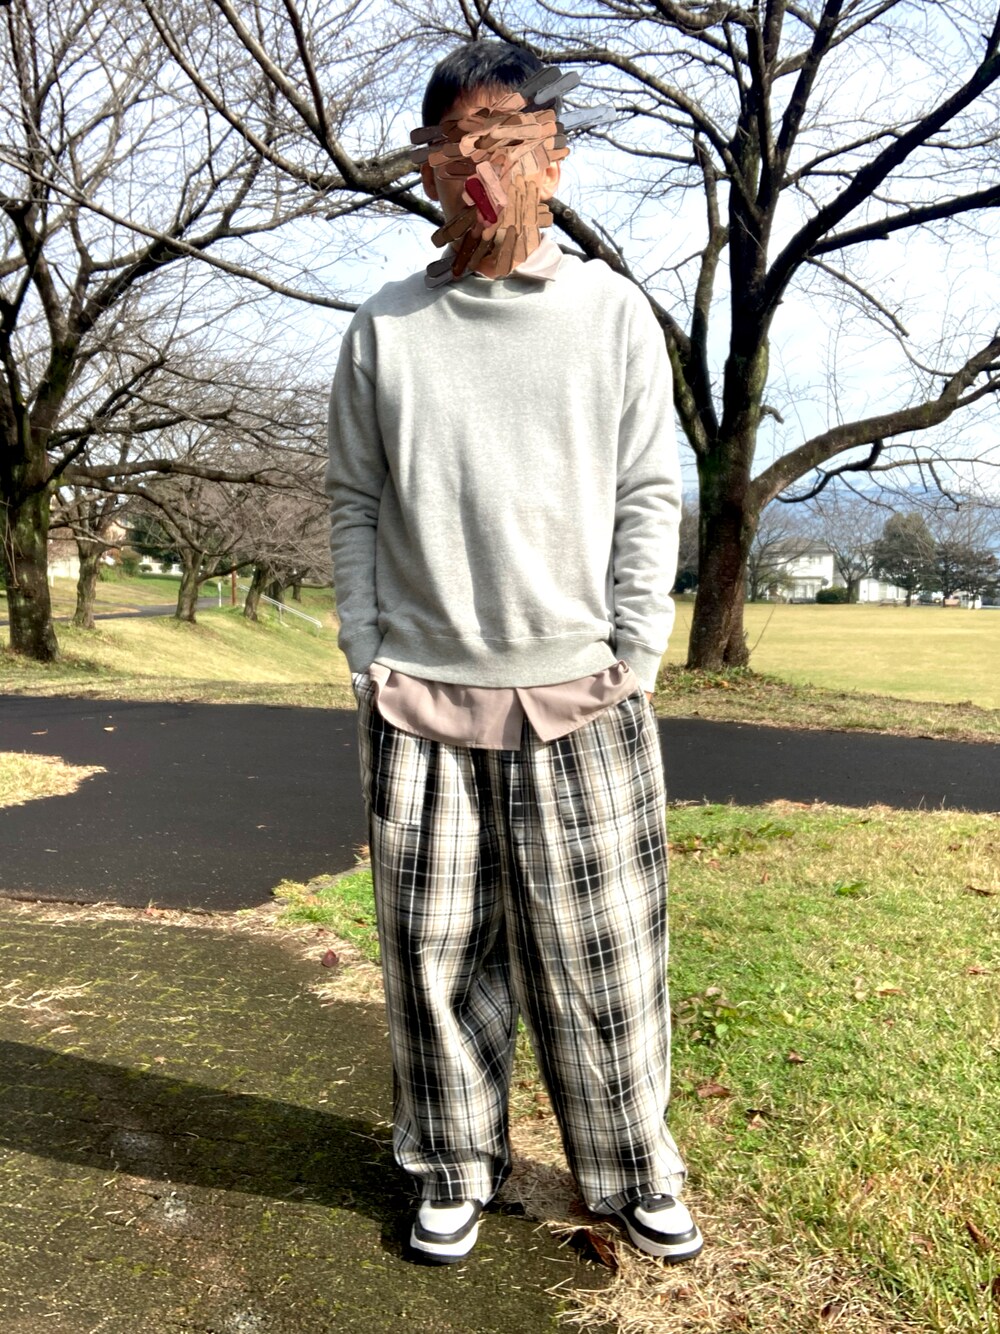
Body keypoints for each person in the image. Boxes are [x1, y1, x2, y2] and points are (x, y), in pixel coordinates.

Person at [325, 40, 702, 1268]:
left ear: (554, 155)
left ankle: (631, 1168)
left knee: (604, 958)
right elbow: (353, 500)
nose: (472, 165)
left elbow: (649, 491)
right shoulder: (386, 326)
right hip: (419, 694)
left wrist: (636, 650)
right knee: (435, 959)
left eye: (499, 138)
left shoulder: (610, 313)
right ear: (426, 168)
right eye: (448, 144)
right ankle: (451, 1165)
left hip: (583, 688)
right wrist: (367, 651)